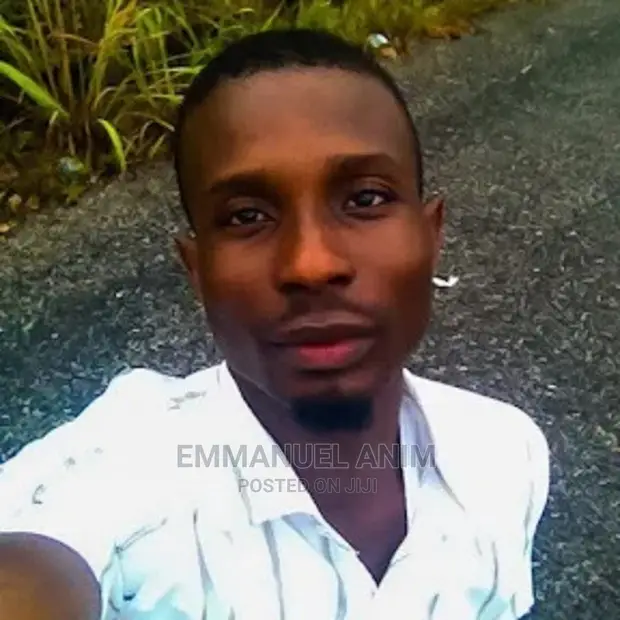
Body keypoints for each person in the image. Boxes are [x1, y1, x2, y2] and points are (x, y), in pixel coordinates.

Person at [0, 28, 550, 620]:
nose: (311, 264)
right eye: (246, 216)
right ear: (197, 269)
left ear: (431, 234)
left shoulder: (506, 455)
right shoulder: (122, 473)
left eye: (365, 199)